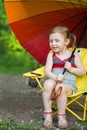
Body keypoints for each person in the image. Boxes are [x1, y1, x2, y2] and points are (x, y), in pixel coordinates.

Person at [42, 26, 86, 128]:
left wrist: (71, 69)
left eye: (57, 41)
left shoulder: (74, 56)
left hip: (68, 86)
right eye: (51, 41)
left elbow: (82, 71)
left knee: (60, 88)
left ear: (66, 42)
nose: (53, 44)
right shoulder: (51, 55)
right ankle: (48, 114)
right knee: (48, 84)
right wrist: (55, 77)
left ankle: (62, 117)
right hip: (54, 80)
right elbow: (47, 70)